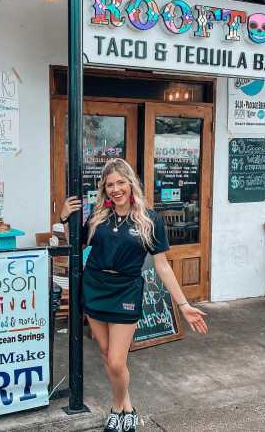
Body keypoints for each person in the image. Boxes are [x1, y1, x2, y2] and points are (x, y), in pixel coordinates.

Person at [60, 158, 208, 432]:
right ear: (104, 189)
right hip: (94, 287)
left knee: (117, 359)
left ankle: (116, 408)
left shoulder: (150, 219)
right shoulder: (98, 216)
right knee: (106, 354)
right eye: (109, 185)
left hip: (126, 290)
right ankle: (126, 405)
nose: (115, 189)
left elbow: (162, 266)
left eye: (120, 183)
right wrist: (64, 217)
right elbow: (76, 245)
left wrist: (184, 304)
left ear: (130, 184)